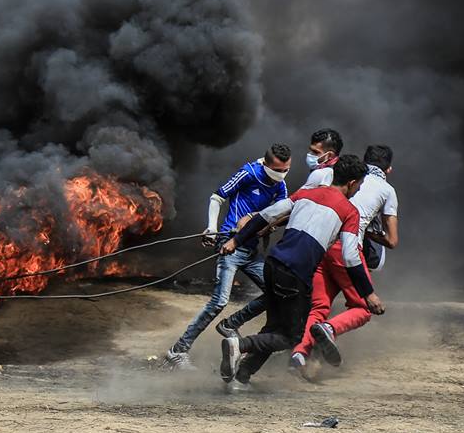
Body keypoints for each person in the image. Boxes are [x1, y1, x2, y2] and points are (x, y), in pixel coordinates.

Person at [216, 154, 385, 390]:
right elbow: (350, 256)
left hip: (273, 263)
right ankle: (240, 345)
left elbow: (266, 216)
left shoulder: (306, 193)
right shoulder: (349, 212)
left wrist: (236, 240)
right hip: (296, 273)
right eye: (359, 186)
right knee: (292, 337)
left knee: (274, 326)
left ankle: (243, 376)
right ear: (352, 183)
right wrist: (368, 294)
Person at [162, 144, 292, 370]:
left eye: (287, 170)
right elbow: (217, 197)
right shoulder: (249, 173)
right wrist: (212, 228)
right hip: (230, 244)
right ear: (268, 164)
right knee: (219, 301)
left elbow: (284, 211)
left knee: (276, 292)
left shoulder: (280, 186)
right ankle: (177, 351)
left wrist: (259, 220)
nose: (283, 175)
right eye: (279, 170)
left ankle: (232, 325)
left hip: (252, 250)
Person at [289, 145, 399, 375]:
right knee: (363, 308)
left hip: (322, 245)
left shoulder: (339, 175)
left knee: (319, 306)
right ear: (388, 169)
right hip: (346, 249)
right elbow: (391, 240)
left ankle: (299, 353)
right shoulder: (387, 190)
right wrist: (367, 230)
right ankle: (329, 329)